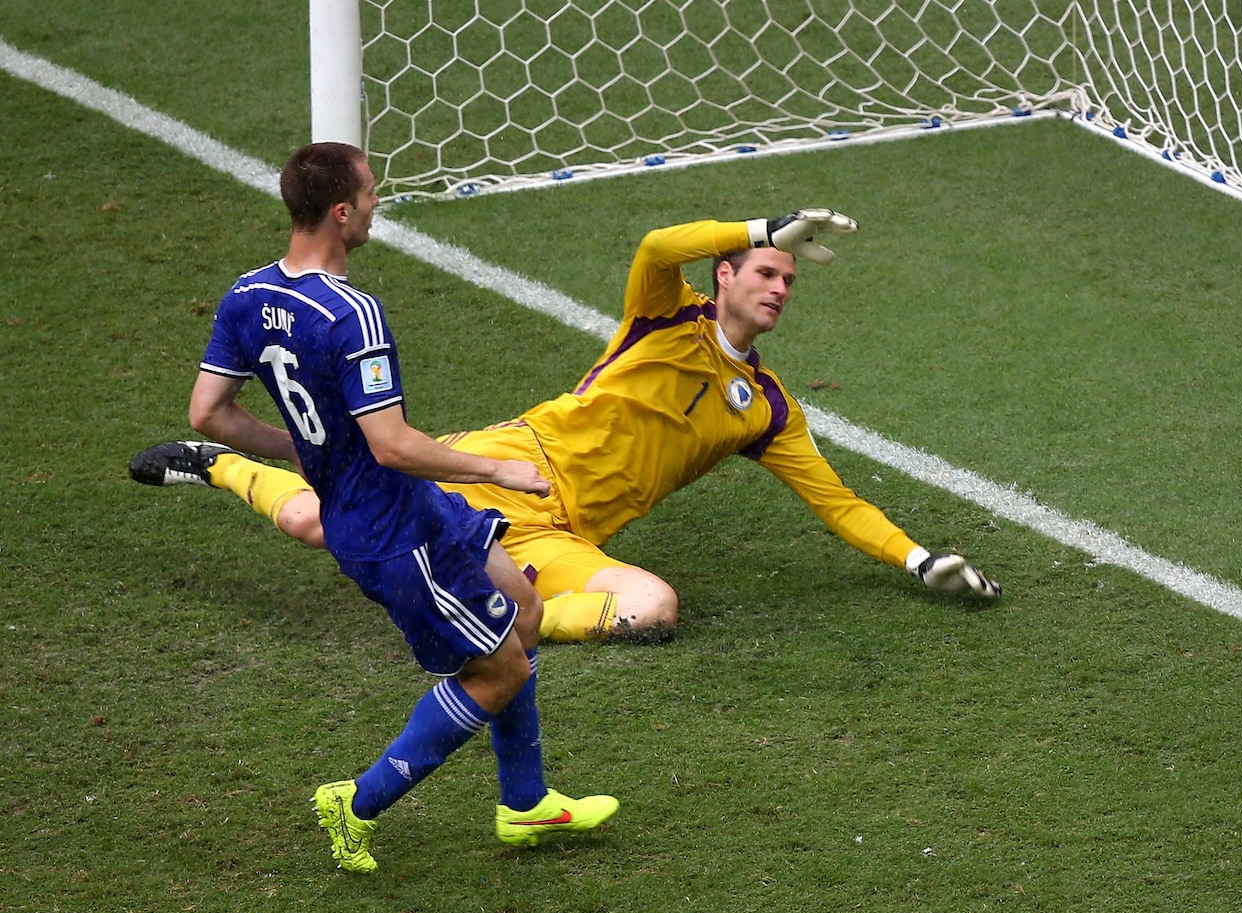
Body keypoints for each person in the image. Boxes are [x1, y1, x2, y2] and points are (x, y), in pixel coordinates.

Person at [131, 209, 1000, 644]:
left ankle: (495, 608)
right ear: (725, 273)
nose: (779, 286)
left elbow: (837, 501)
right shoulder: (666, 315)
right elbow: (661, 244)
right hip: (512, 457)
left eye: (789, 280)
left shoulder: (769, 410)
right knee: (308, 519)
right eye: (765, 271)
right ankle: (215, 462)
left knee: (652, 609)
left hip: (568, 525)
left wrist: (918, 560)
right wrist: (761, 221)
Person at [188, 141, 617, 873]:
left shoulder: (248, 295)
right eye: (372, 193)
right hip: (394, 531)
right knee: (500, 670)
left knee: (525, 606)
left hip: (406, 508)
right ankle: (357, 802)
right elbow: (390, 444)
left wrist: (300, 447)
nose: (379, 204)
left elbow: (208, 413)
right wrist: (497, 468)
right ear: (342, 211)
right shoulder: (352, 313)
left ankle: (526, 799)